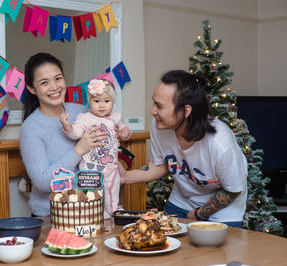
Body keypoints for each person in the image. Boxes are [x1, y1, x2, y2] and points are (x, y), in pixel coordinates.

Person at [122, 70, 247, 228]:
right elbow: (161, 165)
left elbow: (233, 190)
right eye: (154, 103)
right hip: (182, 201)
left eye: (159, 106)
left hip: (225, 209)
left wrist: (198, 214)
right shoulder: (160, 126)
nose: (152, 111)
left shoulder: (220, 144)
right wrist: (123, 177)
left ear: (186, 111)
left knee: (220, 252)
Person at [19, 53, 107, 217]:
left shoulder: (81, 110)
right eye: (44, 82)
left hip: (88, 208)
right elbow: (43, 182)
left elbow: (97, 152)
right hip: (50, 215)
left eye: (58, 78)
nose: (54, 87)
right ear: (31, 88)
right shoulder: (30, 128)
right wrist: (78, 150)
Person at [60, 79, 131, 218]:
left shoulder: (116, 117)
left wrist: (126, 132)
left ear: (113, 102)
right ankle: (95, 211)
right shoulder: (85, 118)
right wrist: (66, 125)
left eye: (107, 101)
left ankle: (113, 209)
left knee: (113, 187)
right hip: (90, 166)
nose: (102, 105)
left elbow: (124, 130)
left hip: (111, 165)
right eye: (97, 101)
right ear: (89, 102)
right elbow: (75, 133)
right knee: (92, 191)